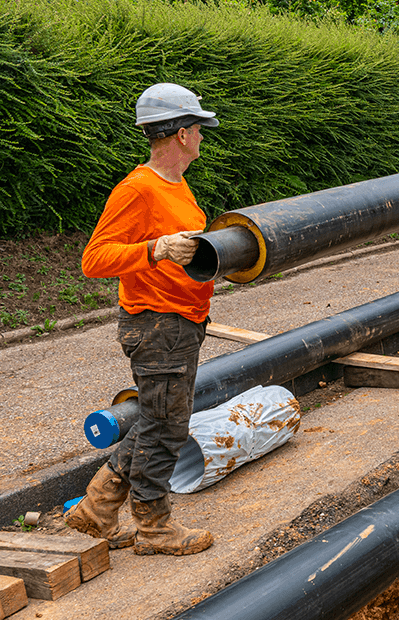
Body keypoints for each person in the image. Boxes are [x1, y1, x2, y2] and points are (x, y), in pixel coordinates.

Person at [67, 83, 219, 556]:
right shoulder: (138, 188)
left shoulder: (176, 186)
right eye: (197, 128)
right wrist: (154, 250)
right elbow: (95, 259)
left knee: (158, 419)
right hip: (158, 325)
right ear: (180, 134)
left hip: (181, 321)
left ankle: (96, 508)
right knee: (167, 426)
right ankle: (154, 528)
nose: (201, 136)